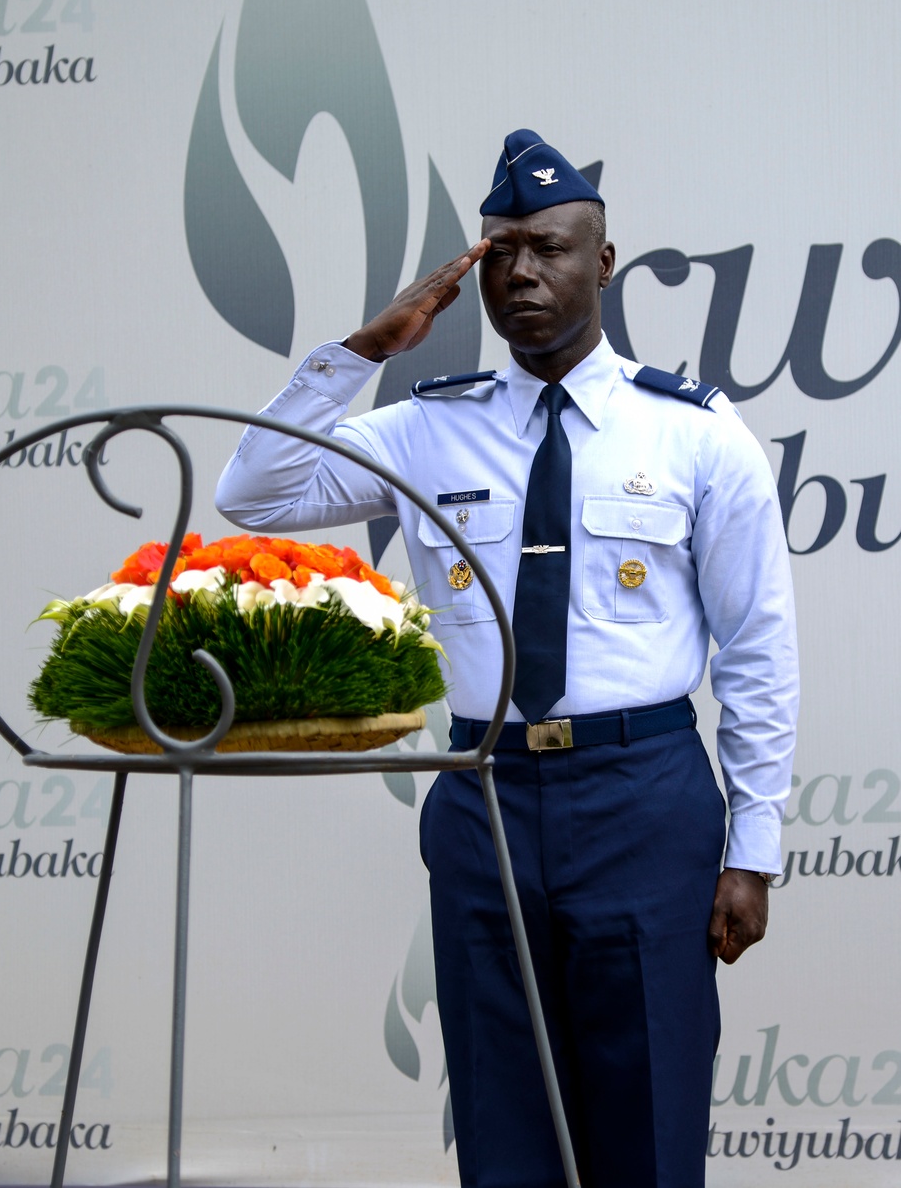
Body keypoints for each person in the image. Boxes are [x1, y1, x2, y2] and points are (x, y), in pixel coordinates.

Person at [215, 129, 798, 1188]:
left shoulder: (695, 434)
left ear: (604, 263)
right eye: (500, 254)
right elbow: (252, 494)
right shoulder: (427, 429)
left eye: (550, 247)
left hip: (643, 790)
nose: (523, 272)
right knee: (499, 1108)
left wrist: (750, 849)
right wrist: (363, 351)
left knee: (649, 1111)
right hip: (482, 791)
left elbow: (756, 648)